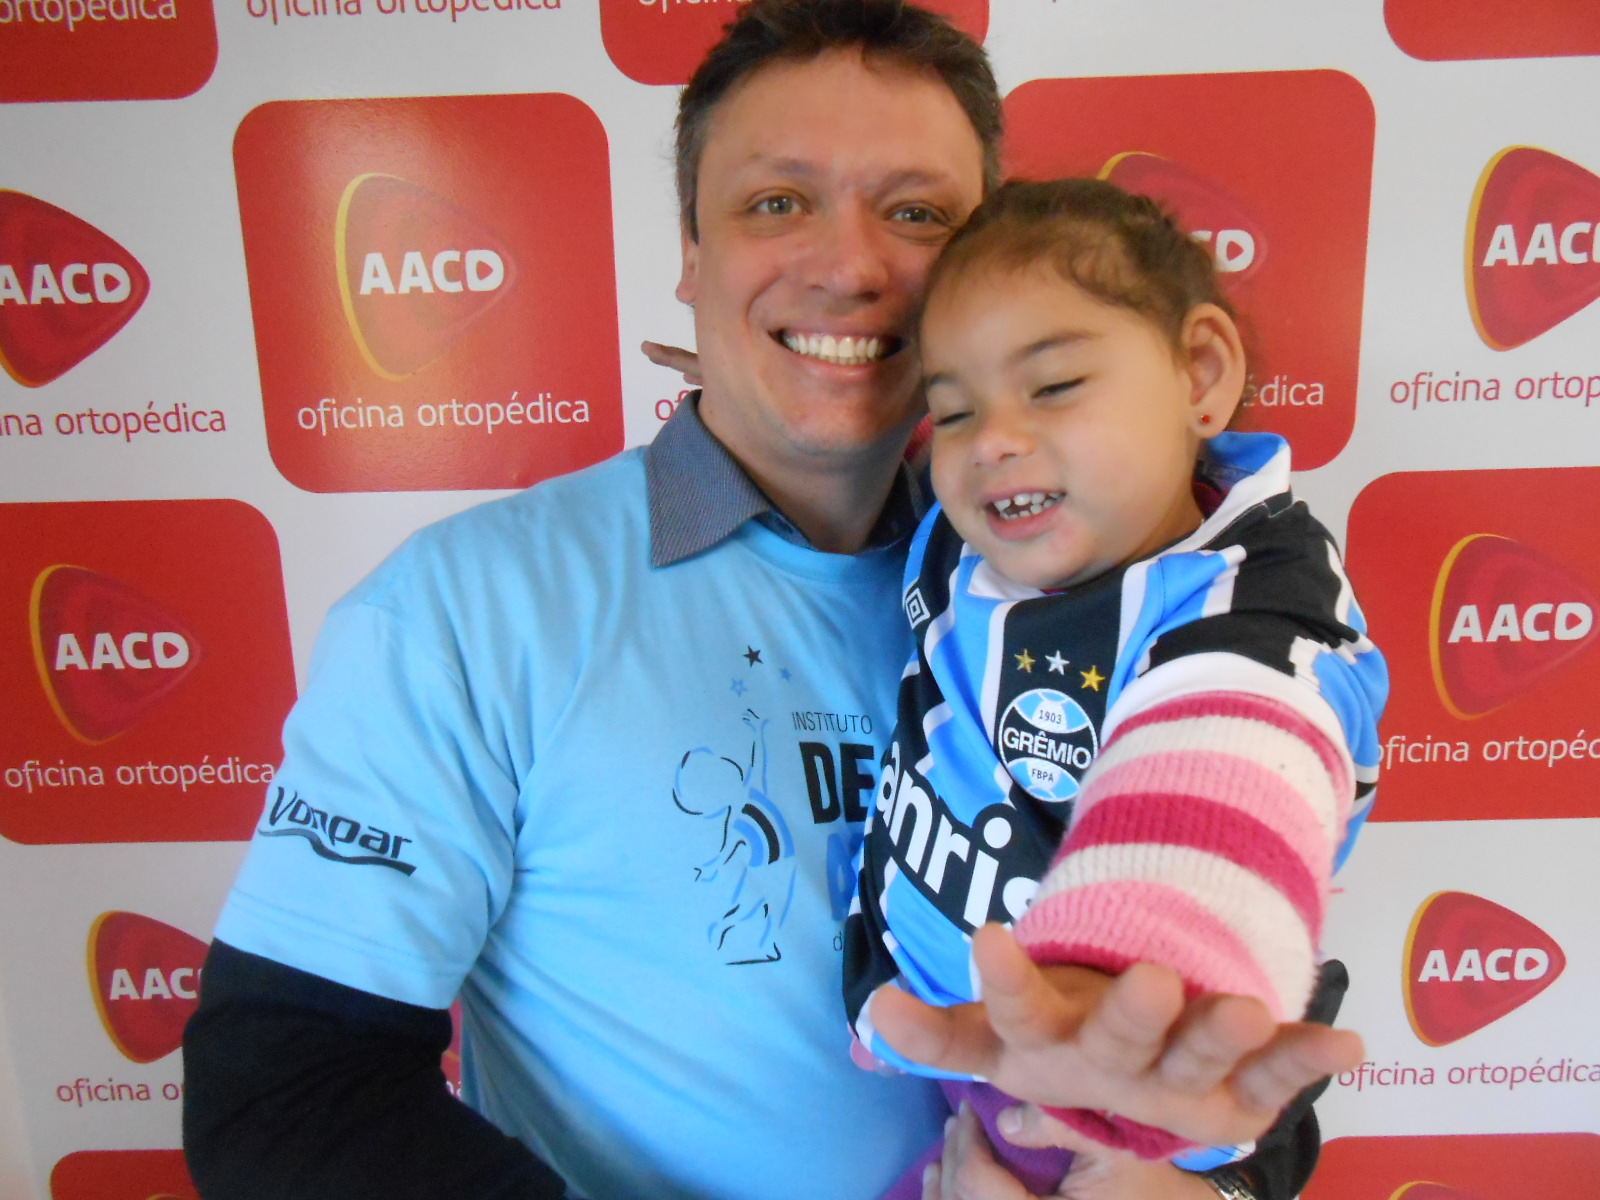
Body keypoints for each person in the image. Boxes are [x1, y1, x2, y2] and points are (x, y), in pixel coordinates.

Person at [182, 4, 1361, 1198]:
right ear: (691, 254)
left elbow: (1227, 994)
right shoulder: (466, 608)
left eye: (915, 214)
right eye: (776, 203)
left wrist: (1202, 1184)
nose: (849, 269)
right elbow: (286, 1092)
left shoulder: (1107, 583)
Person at [842, 179, 1387, 1200]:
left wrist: (1110, 994)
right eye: (952, 409)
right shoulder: (973, 531)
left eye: (1052, 388)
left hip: (1116, 1111)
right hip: (975, 1076)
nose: (991, 438)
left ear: (1199, 372)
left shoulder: (1257, 610)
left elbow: (1231, 753)